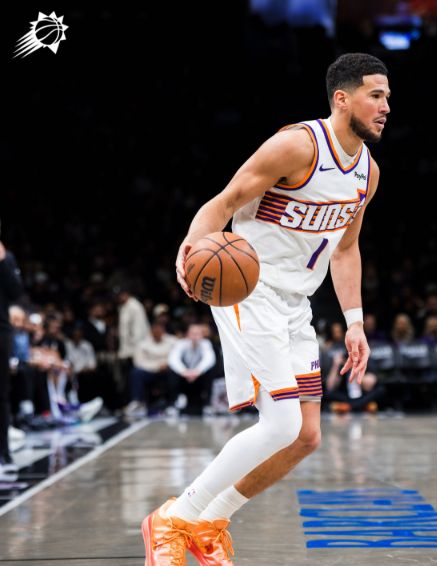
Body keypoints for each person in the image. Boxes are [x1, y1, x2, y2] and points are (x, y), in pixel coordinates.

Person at [142, 52, 390, 564]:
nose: (386, 106)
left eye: (387, 97)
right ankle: (173, 519)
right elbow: (225, 201)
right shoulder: (297, 145)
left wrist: (355, 323)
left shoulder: (367, 173)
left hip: (296, 303)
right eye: (376, 95)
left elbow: (346, 250)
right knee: (280, 426)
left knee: (306, 437)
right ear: (342, 99)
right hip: (248, 290)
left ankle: (210, 521)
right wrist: (191, 246)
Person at [0, 239, 23, 475]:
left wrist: (3, 261)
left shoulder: (6, 257)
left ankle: (4, 454)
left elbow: (16, 291)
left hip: (1, 332)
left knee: (1, 396)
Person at [124, 321, 178, 417]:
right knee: (136, 373)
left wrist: (167, 364)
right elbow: (139, 362)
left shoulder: (173, 341)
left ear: (163, 331)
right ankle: (137, 402)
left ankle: (173, 403)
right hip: (150, 371)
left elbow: (177, 356)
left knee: (175, 372)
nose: (157, 333)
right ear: (151, 332)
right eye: (155, 331)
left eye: (159, 331)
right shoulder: (142, 344)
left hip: (168, 370)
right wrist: (157, 366)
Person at [168, 323, 216, 416]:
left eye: (197, 334)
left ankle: (207, 405)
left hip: (198, 377)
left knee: (210, 371)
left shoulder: (206, 343)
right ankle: (173, 404)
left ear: (202, 335)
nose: (195, 336)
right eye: (192, 333)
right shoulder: (181, 343)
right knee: (171, 371)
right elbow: (173, 359)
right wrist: (184, 372)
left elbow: (209, 360)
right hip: (184, 376)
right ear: (187, 334)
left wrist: (197, 371)